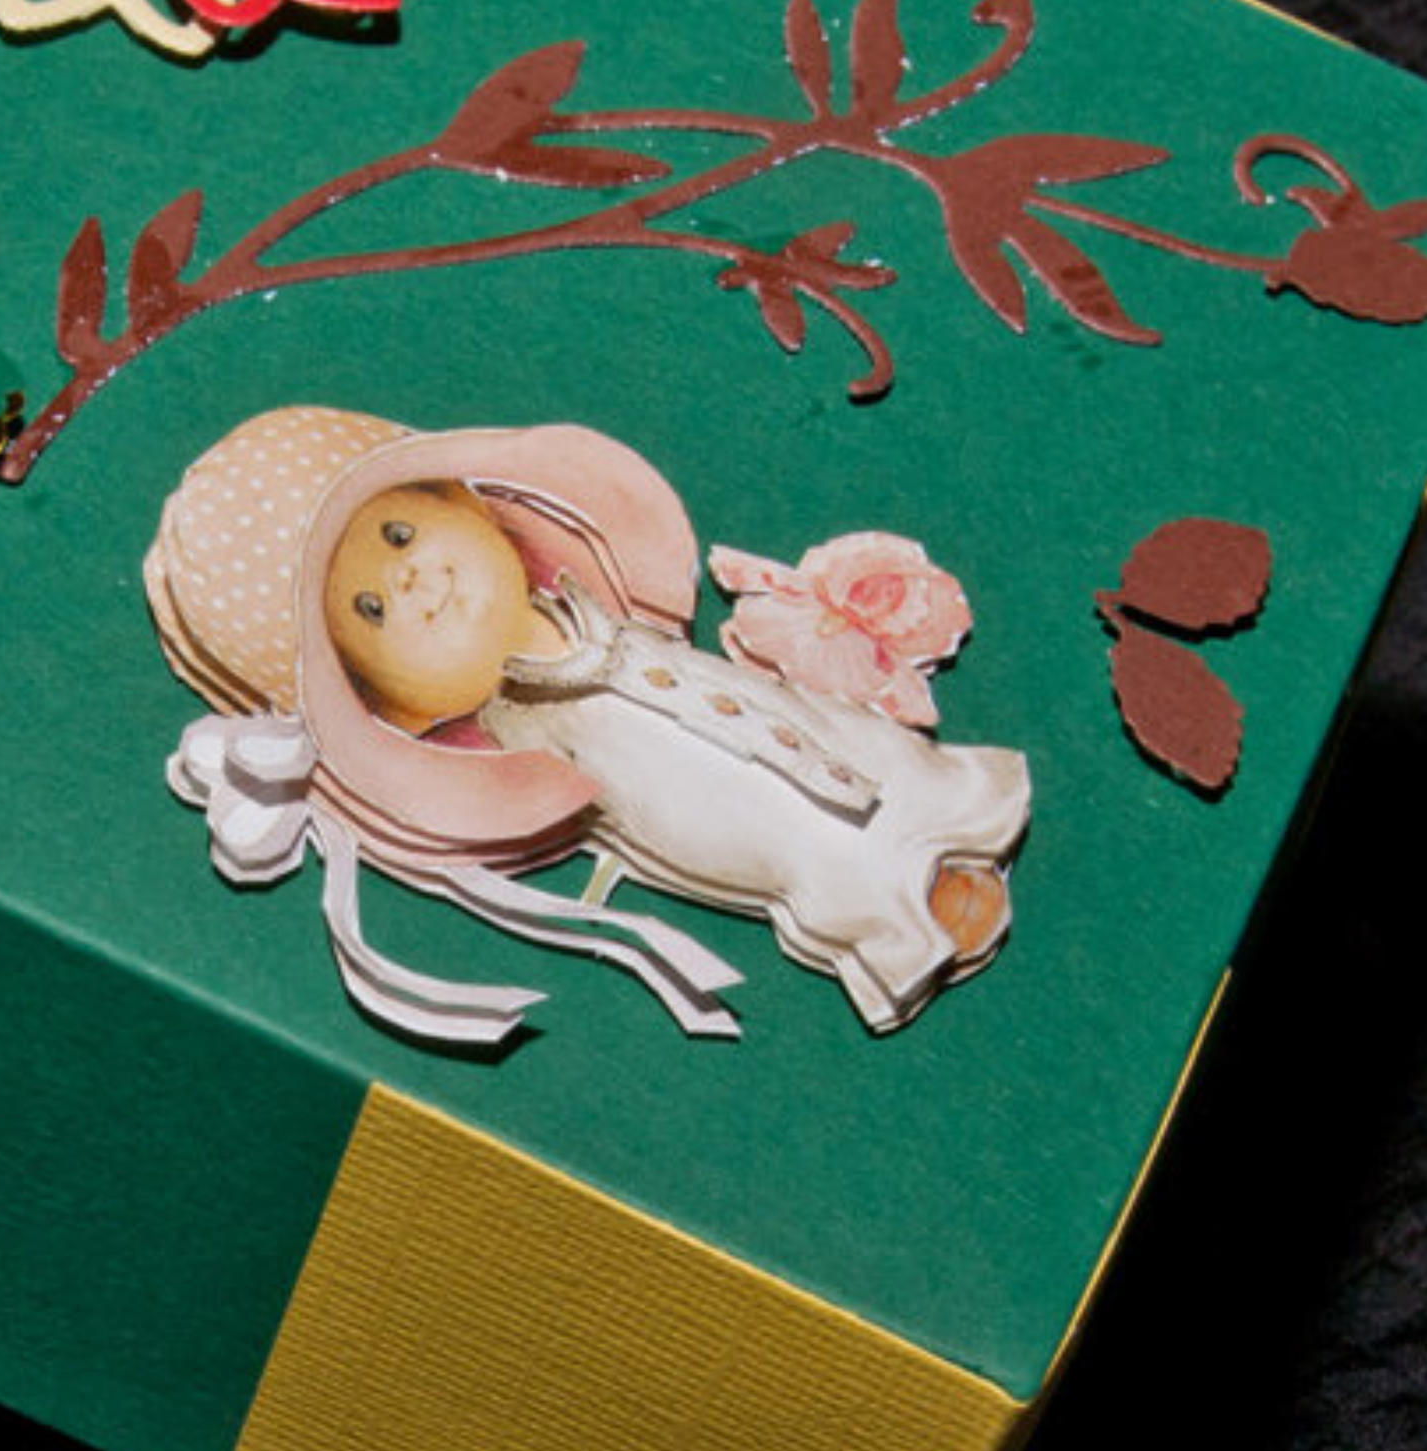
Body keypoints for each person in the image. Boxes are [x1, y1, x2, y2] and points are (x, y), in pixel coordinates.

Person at [145, 408, 1030, 1041]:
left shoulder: (597, 598)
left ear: (471, 506)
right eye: (369, 610)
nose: (407, 582)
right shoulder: (522, 737)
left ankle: (945, 804)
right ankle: (895, 912)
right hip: (693, 803)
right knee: (785, 840)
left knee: (850, 745)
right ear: (397, 708)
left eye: (402, 535)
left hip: (761, 712)